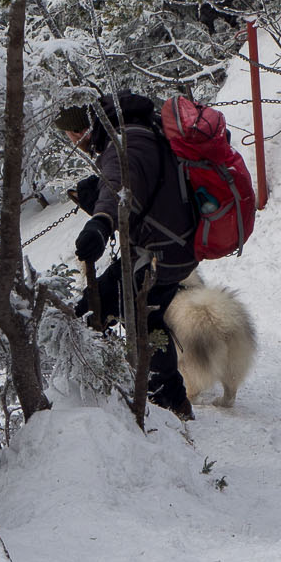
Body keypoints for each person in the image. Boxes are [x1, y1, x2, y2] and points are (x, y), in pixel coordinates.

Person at [57, 93, 198, 420]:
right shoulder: (143, 131)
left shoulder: (122, 145)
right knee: (147, 318)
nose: (71, 142)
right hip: (177, 247)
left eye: (69, 136)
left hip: (156, 255)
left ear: (79, 132)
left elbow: (119, 183)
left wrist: (100, 224)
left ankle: (110, 402)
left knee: (91, 312)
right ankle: (174, 403)